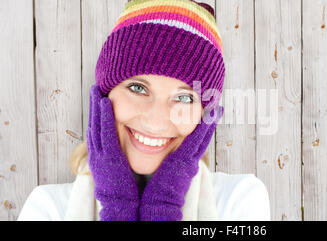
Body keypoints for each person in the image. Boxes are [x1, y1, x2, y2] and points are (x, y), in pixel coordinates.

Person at [17, 0, 270, 221]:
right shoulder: (46, 209)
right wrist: (117, 207)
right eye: (138, 88)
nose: (156, 120)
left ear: (204, 118)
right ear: (102, 99)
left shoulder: (240, 201)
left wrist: (165, 207)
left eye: (184, 97)